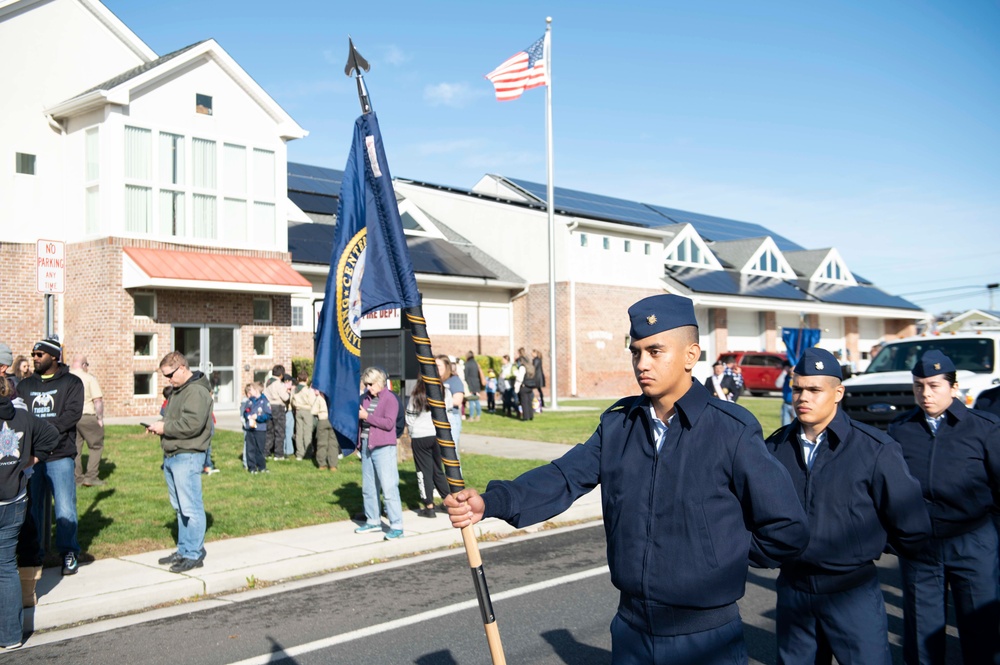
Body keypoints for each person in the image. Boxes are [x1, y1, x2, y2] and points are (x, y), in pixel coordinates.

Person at [445, 294, 810, 664]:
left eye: (655, 351)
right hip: (631, 634)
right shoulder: (619, 425)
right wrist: (491, 503)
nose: (642, 363)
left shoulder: (731, 430)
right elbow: (564, 477)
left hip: (706, 639)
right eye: (636, 352)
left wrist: (724, 557)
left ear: (690, 355)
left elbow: (786, 526)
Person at [764, 347, 930, 665]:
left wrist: (862, 548)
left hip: (851, 593)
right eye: (798, 389)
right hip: (795, 590)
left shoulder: (874, 449)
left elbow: (911, 525)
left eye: (814, 390)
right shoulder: (775, 448)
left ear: (838, 392)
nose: (803, 397)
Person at [888, 350, 1000, 665]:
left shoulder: (985, 428)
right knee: (923, 635)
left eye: (935, 385)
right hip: (921, 546)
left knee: (981, 632)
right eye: (919, 385)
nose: (926, 394)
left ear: (953, 387)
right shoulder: (901, 428)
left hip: (972, 541)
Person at [0, 376, 59, 651]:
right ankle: (11, 636)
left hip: (8, 500)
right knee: (6, 567)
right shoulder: (23, 416)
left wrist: (27, 459)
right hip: (15, 499)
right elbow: (51, 436)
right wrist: (27, 460)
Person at [16, 336, 84, 576]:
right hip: (32, 458)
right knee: (31, 508)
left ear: (54, 356)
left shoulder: (72, 383)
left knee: (65, 508)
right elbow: (19, 416)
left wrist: (41, 430)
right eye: (33, 354)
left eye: (39, 354)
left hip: (60, 455)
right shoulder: (24, 386)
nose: (35, 358)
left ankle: (68, 553)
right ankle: (35, 555)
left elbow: (70, 416)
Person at [146, 351, 213, 573]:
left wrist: (165, 428)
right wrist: (160, 423)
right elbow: (175, 419)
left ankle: (194, 554)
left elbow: (192, 424)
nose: (168, 380)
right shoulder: (179, 389)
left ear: (182, 368)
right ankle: (184, 550)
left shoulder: (196, 391)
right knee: (180, 508)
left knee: (191, 507)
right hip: (174, 455)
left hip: (188, 455)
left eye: (170, 375)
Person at [354, 367, 403, 540]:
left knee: (389, 488)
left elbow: (389, 424)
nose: (368, 388)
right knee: (368, 487)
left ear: (380, 382)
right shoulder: (365, 399)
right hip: (367, 446)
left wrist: (366, 416)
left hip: (383, 447)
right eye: (366, 384)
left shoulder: (390, 399)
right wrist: (359, 443)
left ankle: (397, 526)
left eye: (371, 384)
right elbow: (360, 423)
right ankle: (373, 520)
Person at [405, 377, 451, 518]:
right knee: (438, 470)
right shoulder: (444, 392)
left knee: (423, 471)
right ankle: (448, 502)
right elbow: (447, 411)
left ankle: (429, 506)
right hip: (437, 434)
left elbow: (409, 417)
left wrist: (413, 431)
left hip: (420, 436)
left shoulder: (416, 395)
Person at [69, 355, 105, 487]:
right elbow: (97, 400)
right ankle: (91, 477)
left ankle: (77, 478)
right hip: (87, 415)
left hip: (71, 417)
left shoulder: (66, 378)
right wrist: (100, 418)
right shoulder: (89, 378)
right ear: (84, 365)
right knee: (96, 446)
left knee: (75, 449)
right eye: (87, 364)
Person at [240, 382, 270, 474]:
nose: (250, 391)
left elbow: (268, 415)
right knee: (250, 448)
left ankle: (261, 467)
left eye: (251, 389)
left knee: (260, 449)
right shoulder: (250, 401)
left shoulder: (264, 401)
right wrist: (248, 416)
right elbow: (246, 411)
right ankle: (251, 467)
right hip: (250, 428)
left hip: (260, 429)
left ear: (256, 390)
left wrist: (258, 417)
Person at [436, 355, 465, 447]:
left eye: (438, 365)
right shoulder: (433, 380)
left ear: (446, 366)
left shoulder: (454, 380)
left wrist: (437, 401)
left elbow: (457, 401)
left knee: (450, 452)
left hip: (451, 418)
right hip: (435, 418)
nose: (435, 368)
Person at [262, 365, 290, 460]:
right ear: (281, 375)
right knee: (280, 431)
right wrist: (287, 392)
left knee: (269, 431)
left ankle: (266, 451)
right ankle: (279, 454)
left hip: (269, 407)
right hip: (278, 407)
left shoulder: (268, 382)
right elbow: (285, 397)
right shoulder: (279, 383)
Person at [290, 372, 317, 460]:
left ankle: (299, 453)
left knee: (299, 432)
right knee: (307, 432)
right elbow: (313, 402)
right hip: (307, 411)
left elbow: (291, 401)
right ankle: (307, 453)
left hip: (298, 410)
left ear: (297, 379)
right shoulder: (308, 390)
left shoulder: (294, 389)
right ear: (307, 379)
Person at [311, 389, 337, 471]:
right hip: (334, 421)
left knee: (321, 443)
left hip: (322, 420)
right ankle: (333, 465)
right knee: (333, 444)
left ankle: (322, 464)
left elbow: (313, 411)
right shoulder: (336, 397)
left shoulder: (320, 397)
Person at [513, 349, 536, 421]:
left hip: (523, 386)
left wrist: (515, 373)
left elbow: (520, 378)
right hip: (530, 386)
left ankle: (525, 417)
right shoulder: (530, 367)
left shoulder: (522, 367)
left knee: (524, 402)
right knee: (529, 401)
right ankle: (531, 415)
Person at [463, 351, 484, 422]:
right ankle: (478, 415)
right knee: (476, 400)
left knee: (471, 400)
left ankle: (471, 417)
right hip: (477, 383)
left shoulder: (467, 364)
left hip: (470, 383)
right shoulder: (476, 363)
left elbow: (465, 376)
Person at [779, 361, 794, 427]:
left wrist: (793, 376)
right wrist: (784, 372)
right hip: (786, 404)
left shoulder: (798, 377)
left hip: (795, 405)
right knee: (785, 426)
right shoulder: (785, 377)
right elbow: (778, 384)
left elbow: (792, 387)